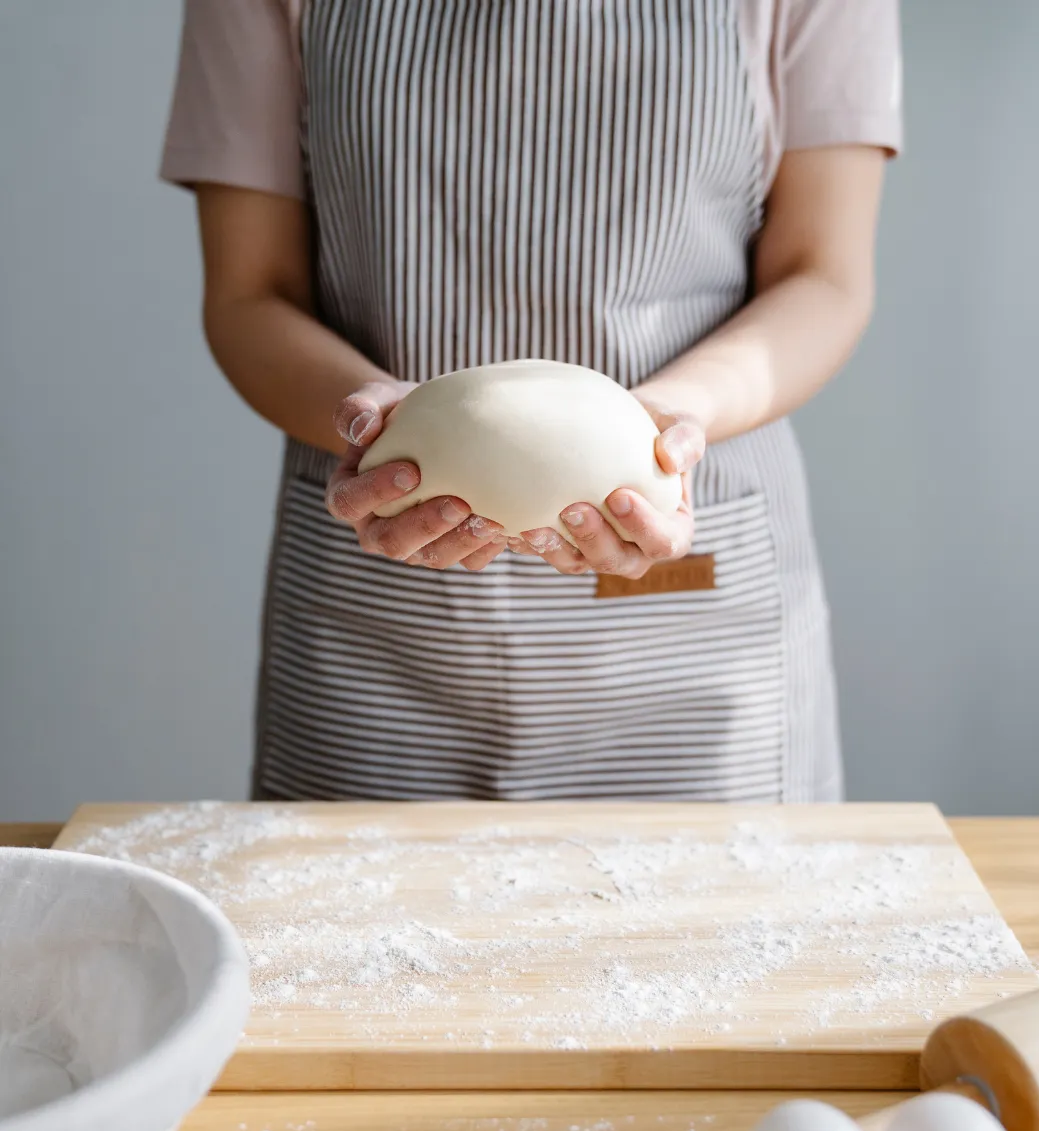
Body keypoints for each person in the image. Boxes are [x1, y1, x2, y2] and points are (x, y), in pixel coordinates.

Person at [162, 0, 902, 803]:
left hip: (689, 616)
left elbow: (823, 275)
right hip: (376, 621)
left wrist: (670, 423)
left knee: (708, 925)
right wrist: (374, 422)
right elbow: (249, 293)